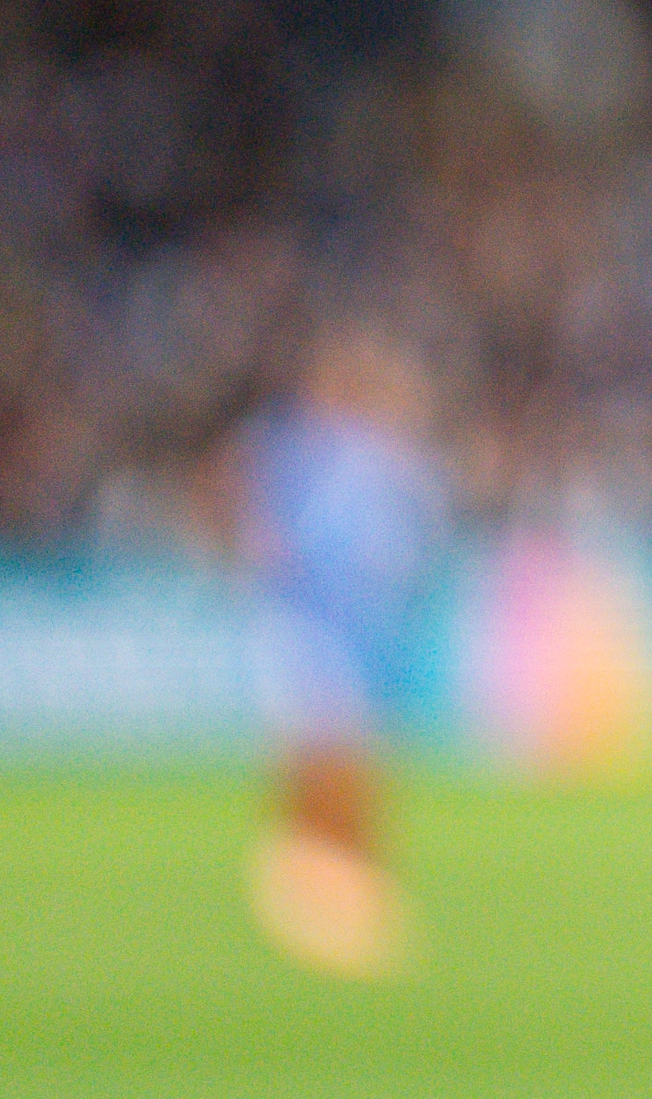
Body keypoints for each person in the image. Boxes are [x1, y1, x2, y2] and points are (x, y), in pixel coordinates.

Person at [233, 319, 450, 980]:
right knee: (319, 751)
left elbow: (414, 540)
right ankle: (311, 882)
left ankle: (342, 884)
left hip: (364, 629)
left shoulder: (381, 457)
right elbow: (262, 529)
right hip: (312, 625)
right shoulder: (294, 450)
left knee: (354, 756)